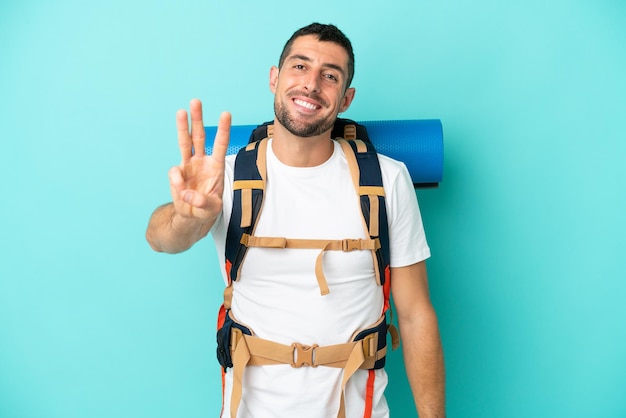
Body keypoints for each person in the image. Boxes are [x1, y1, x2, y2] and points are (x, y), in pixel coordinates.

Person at [146, 23, 445, 418]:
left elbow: (414, 313)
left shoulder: (387, 180)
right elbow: (162, 237)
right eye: (299, 67)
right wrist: (187, 216)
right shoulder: (226, 176)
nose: (311, 84)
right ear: (275, 77)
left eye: (330, 75)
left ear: (346, 98)